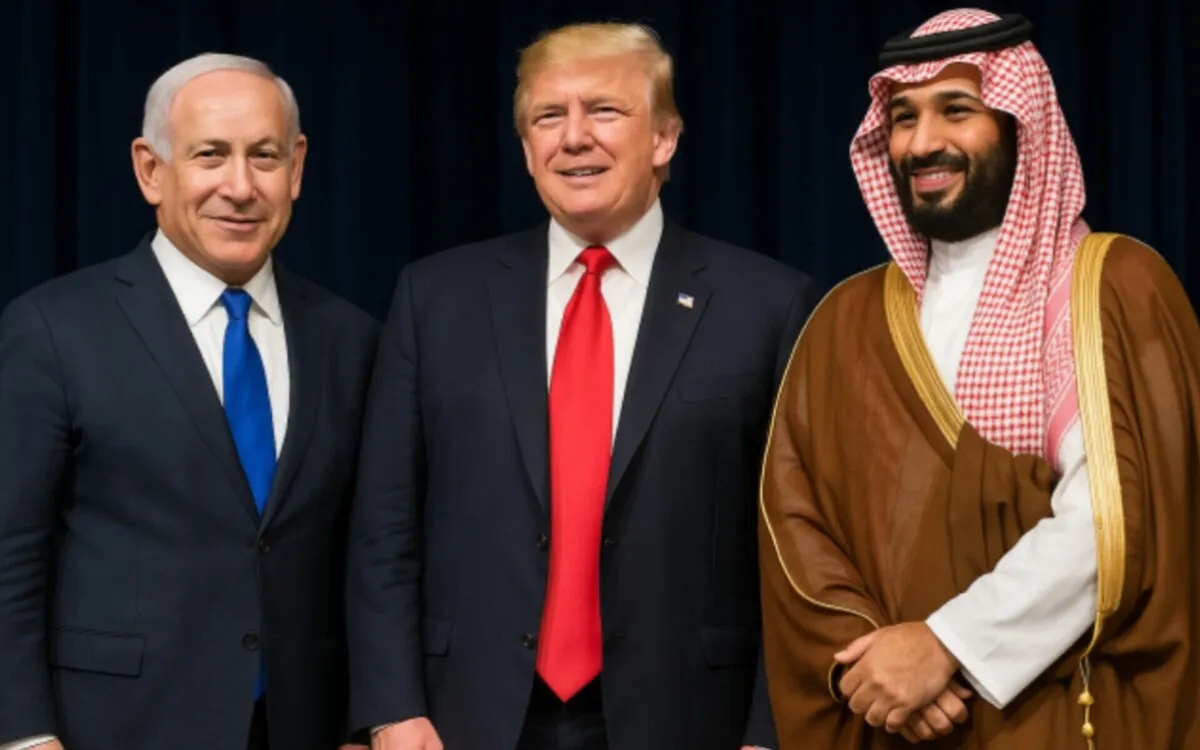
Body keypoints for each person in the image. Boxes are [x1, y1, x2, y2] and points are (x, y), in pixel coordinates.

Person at [345, 21, 820, 750]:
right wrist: (392, 708)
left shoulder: (768, 306)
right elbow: (385, 527)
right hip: (465, 717)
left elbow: (796, 547)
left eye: (604, 110)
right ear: (526, 148)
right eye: (548, 116)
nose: (574, 137)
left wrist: (768, 731)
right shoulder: (433, 299)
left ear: (664, 138)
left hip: (692, 719)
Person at [758, 8, 1200, 749]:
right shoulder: (844, 319)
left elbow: (1115, 519)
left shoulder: (1113, 286)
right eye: (903, 118)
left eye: (956, 110)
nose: (922, 142)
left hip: (1062, 715)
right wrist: (875, 666)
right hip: (888, 719)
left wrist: (947, 646)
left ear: (1020, 126)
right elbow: (795, 521)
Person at [0, 53, 378, 750]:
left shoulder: (352, 339)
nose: (240, 186)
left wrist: (368, 717)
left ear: (296, 168)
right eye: (210, 155)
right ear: (151, 170)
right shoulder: (52, 328)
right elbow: (10, 553)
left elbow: (369, 555)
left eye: (264, 156)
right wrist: (23, 735)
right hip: (114, 727)